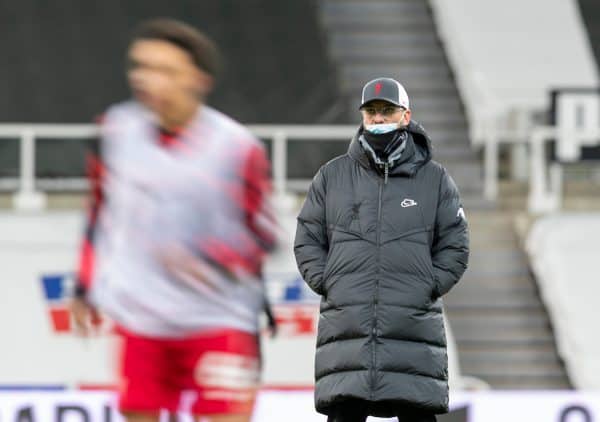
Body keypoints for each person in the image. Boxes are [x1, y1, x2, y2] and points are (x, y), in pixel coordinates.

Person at [70, 18, 276, 422]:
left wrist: (210, 258)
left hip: (218, 318)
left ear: (198, 79)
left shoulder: (236, 147)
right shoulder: (115, 130)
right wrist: (84, 284)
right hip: (142, 320)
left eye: (165, 70)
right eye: (140, 67)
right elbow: (99, 210)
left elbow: (264, 236)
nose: (147, 79)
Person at [294, 77, 469, 422]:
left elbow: (456, 243)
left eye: (386, 110)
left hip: (412, 330)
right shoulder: (331, 176)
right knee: (344, 413)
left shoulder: (434, 179)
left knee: (417, 414)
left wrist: (426, 285)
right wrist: (329, 281)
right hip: (348, 330)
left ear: (406, 116)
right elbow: (307, 238)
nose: (377, 118)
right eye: (371, 111)